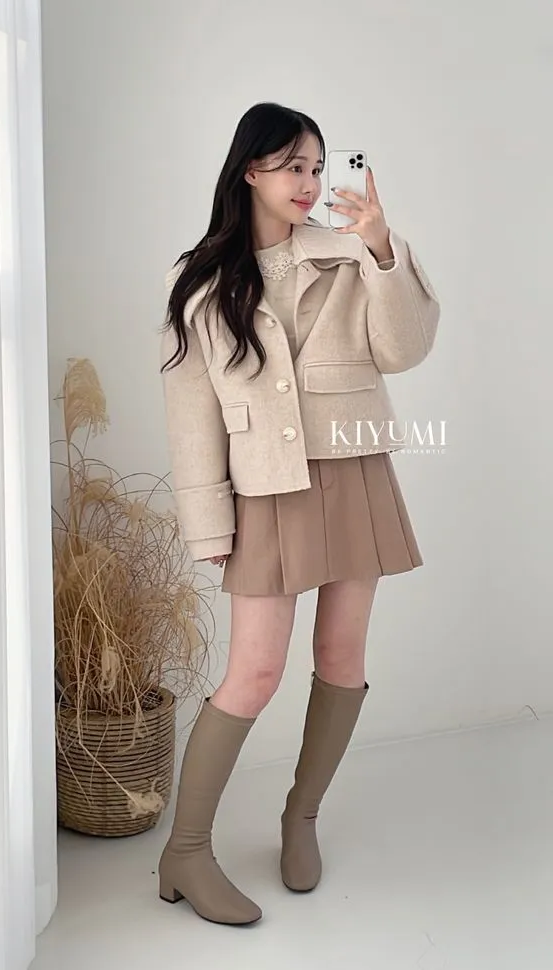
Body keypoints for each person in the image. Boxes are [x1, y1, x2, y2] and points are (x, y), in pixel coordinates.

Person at [158, 101, 440, 926]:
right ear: (250, 170)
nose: (310, 182)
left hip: (353, 469)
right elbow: (192, 416)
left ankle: (301, 815)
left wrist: (381, 248)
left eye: (317, 166)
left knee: (341, 655)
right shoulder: (200, 280)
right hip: (265, 487)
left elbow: (404, 350)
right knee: (253, 673)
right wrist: (209, 524)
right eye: (292, 166)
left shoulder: (351, 254)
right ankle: (184, 853)